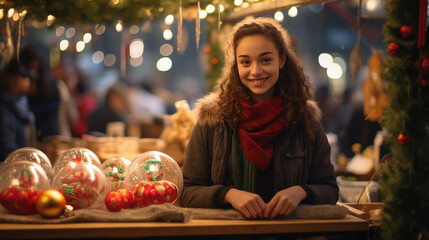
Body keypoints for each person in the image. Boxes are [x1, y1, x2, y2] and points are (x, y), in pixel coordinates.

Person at [180, 17, 338, 219]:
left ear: (281, 60)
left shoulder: (304, 121)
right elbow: (187, 192)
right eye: (245, 62)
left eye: (265, 60)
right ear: (236, 65)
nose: (256, 71)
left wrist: (301, 191)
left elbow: (330, 189)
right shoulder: (212, 121)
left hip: (289, 235)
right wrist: (227, 195)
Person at [0, 59, 36, 161]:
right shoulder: (4, 108)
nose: (27, 81)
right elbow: (7, 147)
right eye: (23, 77)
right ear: (11, 79)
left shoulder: (22, 102)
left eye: (28, 77)